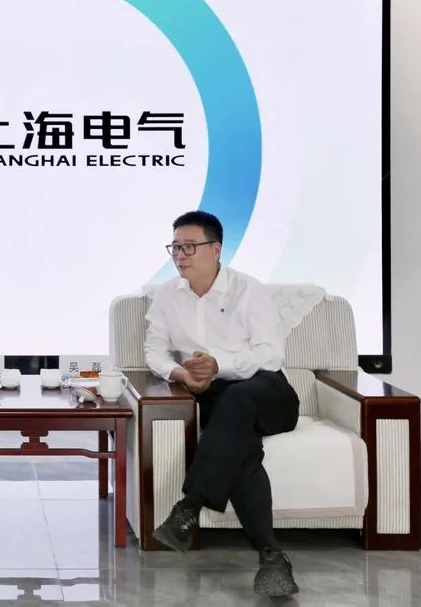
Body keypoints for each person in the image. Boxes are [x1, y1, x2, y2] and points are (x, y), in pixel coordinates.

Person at [144, 211, 301, 598]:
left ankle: (190, 505)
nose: (180, 255)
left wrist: (221, 365)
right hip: (215, 395)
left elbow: (270, 354)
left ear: (216, 249)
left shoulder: (248, 289)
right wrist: (181, 375)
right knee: (242, 449)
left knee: (238, 397)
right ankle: (271, 556)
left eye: (189, 247)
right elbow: (154, 350)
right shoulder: (168, 295)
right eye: (175, 247)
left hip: (267, 391)